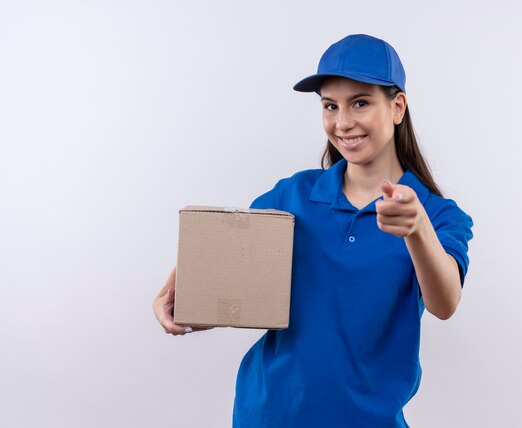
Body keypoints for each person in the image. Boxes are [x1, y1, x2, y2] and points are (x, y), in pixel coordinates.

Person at [153, 34, 474, 427]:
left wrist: (417, 229)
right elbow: (224, 274)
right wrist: (181, 300)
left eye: (360, 102)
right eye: (329, 105)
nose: (342, 123)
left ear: (397, 107)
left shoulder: (438, 215)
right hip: (268, 414)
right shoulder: (291, 196)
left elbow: (445, 303)